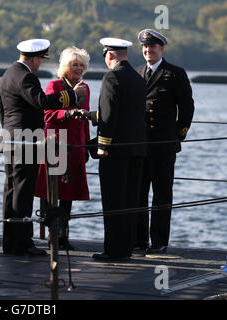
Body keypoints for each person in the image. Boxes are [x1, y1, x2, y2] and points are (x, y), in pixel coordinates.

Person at [0, 39, 87, 256]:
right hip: (26, 141)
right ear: (35, 58)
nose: (40, 64)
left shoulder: (8, 74)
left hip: (12, 139)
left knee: (11, 191)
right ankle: (23, 242)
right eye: (40, 59)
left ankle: (10, 240)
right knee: (23, 193)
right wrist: (74, 96)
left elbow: (2, 111)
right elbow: (42, 102)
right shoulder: (26, 76)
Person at [135, 29, 195, 254]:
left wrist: (179, 134)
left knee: (161, 195)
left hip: (163, 145)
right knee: (139, 194)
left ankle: (159, 241)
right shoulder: (138, 72)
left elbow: (187, 107)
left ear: (161, 48)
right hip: (140, 144)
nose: (148, 50)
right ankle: (138, 240)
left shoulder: (175, 74)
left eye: (152, 47)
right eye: (145, 47)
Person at [89, 38, 147, 261]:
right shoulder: (137, 78)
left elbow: (109, 115)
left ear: (109, 55)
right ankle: (127, 249)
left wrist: (103, 145)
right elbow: (130, 114)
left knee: (113, 201)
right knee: (130, 202)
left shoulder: (112, 77)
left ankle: (113, 250)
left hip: (116, 152)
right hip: (137, 149)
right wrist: (93, 116)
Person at [34, 46, 91, 251]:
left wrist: (86, 146)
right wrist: (67, 114)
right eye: (74, 65)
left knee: (69, 195)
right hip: (56, 145)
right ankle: (52, 236)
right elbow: (46, 115)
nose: (78, 68)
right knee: (52, 193)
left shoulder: (85, 87)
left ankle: (64, 235)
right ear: (65, 67)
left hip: (76, 146)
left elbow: (85, 120)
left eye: (81, 65)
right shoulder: (54, 85)